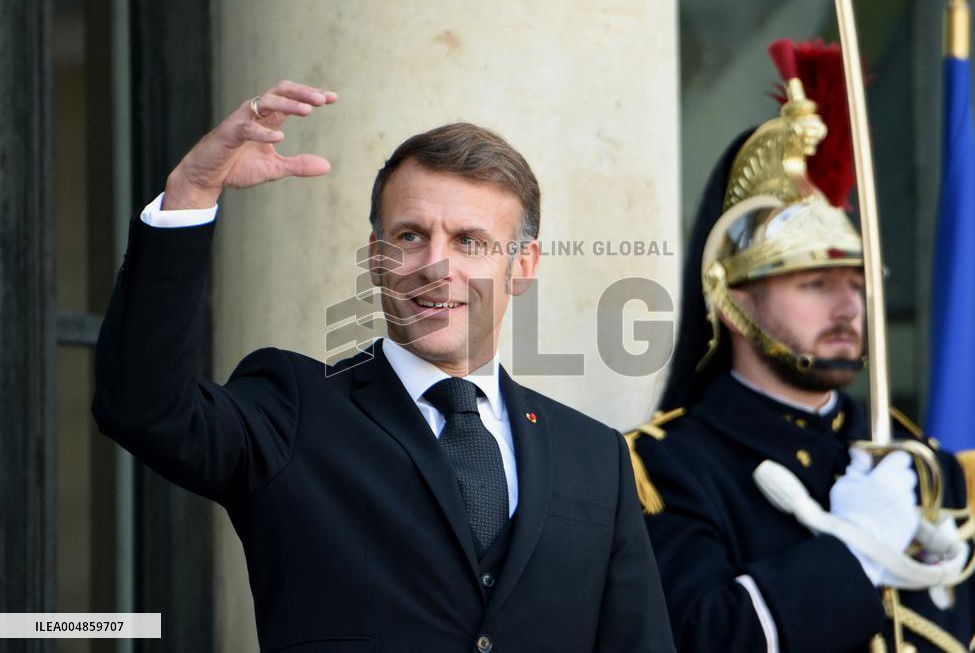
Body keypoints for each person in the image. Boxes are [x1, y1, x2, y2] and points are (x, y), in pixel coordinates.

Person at [93, 80, 673, 652]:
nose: (435, 265)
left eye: (470, 241)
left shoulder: (596, 457)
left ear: (522, 266)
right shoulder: (293, 408)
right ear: (376, 258)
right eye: (411, 236)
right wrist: (192, 191)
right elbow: (143, 406)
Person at [629, 42, 975, 652]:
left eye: (856, 284)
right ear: (734, 302)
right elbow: (704, 638)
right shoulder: (668, 468)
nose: (848, 307)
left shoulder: (922, 464)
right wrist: (852, 553)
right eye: (815, 284)